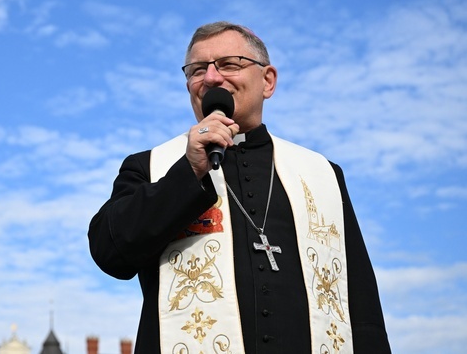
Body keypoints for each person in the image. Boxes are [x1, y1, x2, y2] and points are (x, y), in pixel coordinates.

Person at [88, 22, 390, 354]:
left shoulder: (322, 174)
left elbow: (361, 306)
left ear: (268, 81)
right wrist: (188, 171)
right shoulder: (151, 166)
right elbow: (110, 253)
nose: (212, 78)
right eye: (197, 70)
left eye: (230, 64)